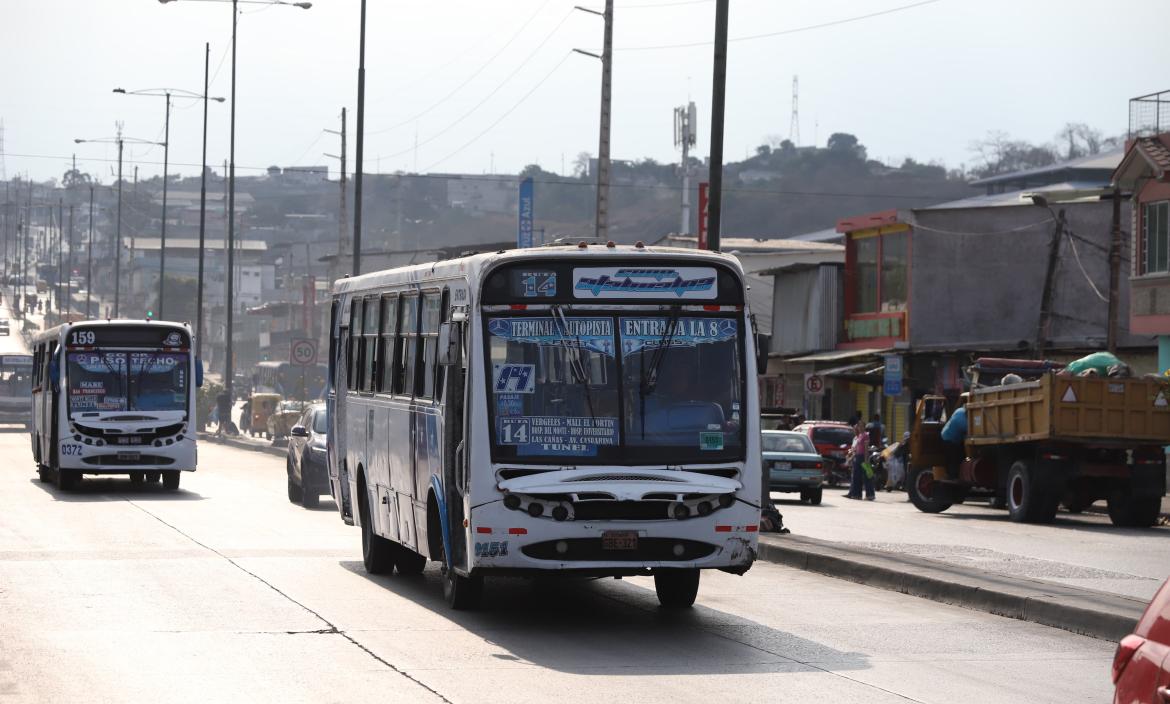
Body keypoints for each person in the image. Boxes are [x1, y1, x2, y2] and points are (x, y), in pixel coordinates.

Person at [845, 421, 875, 501]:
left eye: (862, 426)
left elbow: (866, 449)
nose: (860, 428)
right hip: (857, 457)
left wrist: (866, 460)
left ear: (864, 427)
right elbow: (856, 448)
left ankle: (870, 495)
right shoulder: (859, 436)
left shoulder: (865, 435)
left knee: (867, 476)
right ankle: (857, 494)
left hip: (863, 457)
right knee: (856, 477)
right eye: (859, 426)